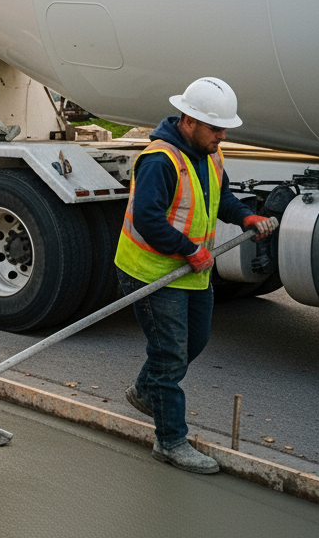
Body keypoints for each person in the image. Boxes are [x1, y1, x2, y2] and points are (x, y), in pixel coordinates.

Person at [115, 77, 278, 474]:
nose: (221, 136)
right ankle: (170, 442)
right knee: (170, 357)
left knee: (195, 342)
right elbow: (148, 218)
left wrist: (246, 216)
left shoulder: (210, 154)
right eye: (215, 128)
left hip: (190, 271)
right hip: (154, 273)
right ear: (188, 121)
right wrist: (189, 249)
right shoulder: (160, 160)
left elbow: (220, 198)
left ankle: (145, 390)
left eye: (224, 128)